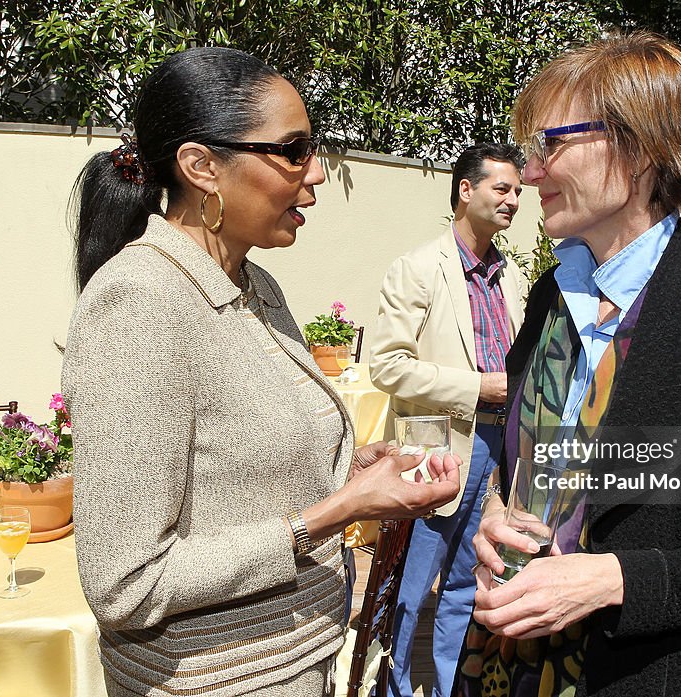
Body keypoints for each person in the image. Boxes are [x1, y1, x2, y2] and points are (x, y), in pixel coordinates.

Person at [61, 47, 460, 697]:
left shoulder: (256, 284)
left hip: (298, 666)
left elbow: (235, 473)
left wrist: (354, 473)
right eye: (293, 149)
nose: (317, 173)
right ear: (202, 167)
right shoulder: (139, 303)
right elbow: (124, 584)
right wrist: (331, 514)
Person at [453, 32, 681, 696]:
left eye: (551, 146)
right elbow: (526, 464)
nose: (531, 173)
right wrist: (496, 510)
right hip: (502, 666)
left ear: (641, 147)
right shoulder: (551, 299)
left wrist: (612, 578)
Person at [369, 143, 526, 697]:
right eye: (501, 189)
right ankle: (393, 687)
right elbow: (387, 366)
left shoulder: (508, 275)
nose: (513, 200)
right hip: (438, 446)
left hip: (499, 450)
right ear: (466, 189)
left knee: (467, 579)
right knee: (410, 587)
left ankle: (448, 689)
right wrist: (476, 387)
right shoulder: (418, 267)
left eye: (517, 191)